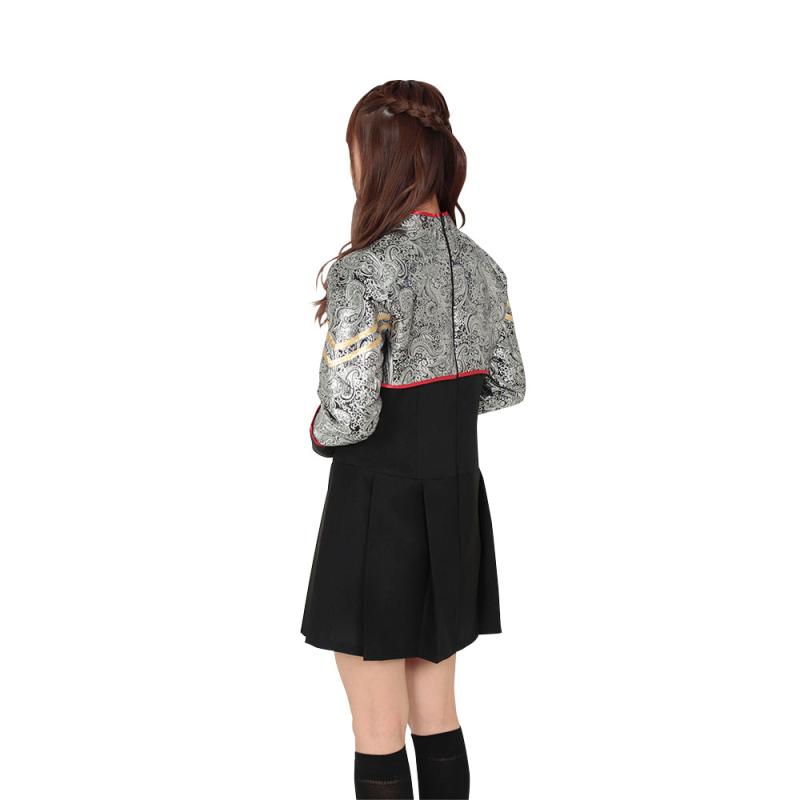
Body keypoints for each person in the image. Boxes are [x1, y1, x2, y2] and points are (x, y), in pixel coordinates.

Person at [301, 79, 526, 799]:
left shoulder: (366, 268)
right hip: (454, 507)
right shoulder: (485, 267)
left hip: (378, 510)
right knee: (437, 714)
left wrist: (317, 430)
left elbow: (348, 413)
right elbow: (508, 384)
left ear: (379, 158)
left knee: (377, 728)